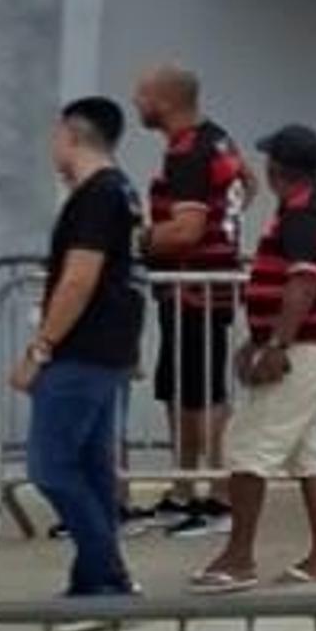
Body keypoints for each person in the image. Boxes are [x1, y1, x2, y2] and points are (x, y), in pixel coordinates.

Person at [193, 125, 316, 593]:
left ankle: (238, 558)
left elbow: (303, 282)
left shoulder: (303, 213)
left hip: (306, 349)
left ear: (279, 169)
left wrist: (276, 344)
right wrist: (260, 336)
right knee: (311, 453)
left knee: (247, 445)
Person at [9, 96, 147, 613]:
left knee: (50, 465)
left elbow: (80, 277)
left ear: (71, 134)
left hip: (81, 349)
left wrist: (41, 348)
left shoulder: (96, 196)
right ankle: (91, 582)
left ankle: (108, 576)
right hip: (108, 347)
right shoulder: (125, 193)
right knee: (91, 467)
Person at [134, 62, 248, 538]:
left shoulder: (186, 153)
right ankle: (183, 490)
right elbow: (249, 186)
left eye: (141, 95)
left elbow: (186, 230)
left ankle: (221, 497)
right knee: (180, 389)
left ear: (164, 101)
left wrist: (137, 238)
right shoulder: (218, 140)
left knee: (203, 393)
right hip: (194, 286)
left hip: (195, 289)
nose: (136, 103)